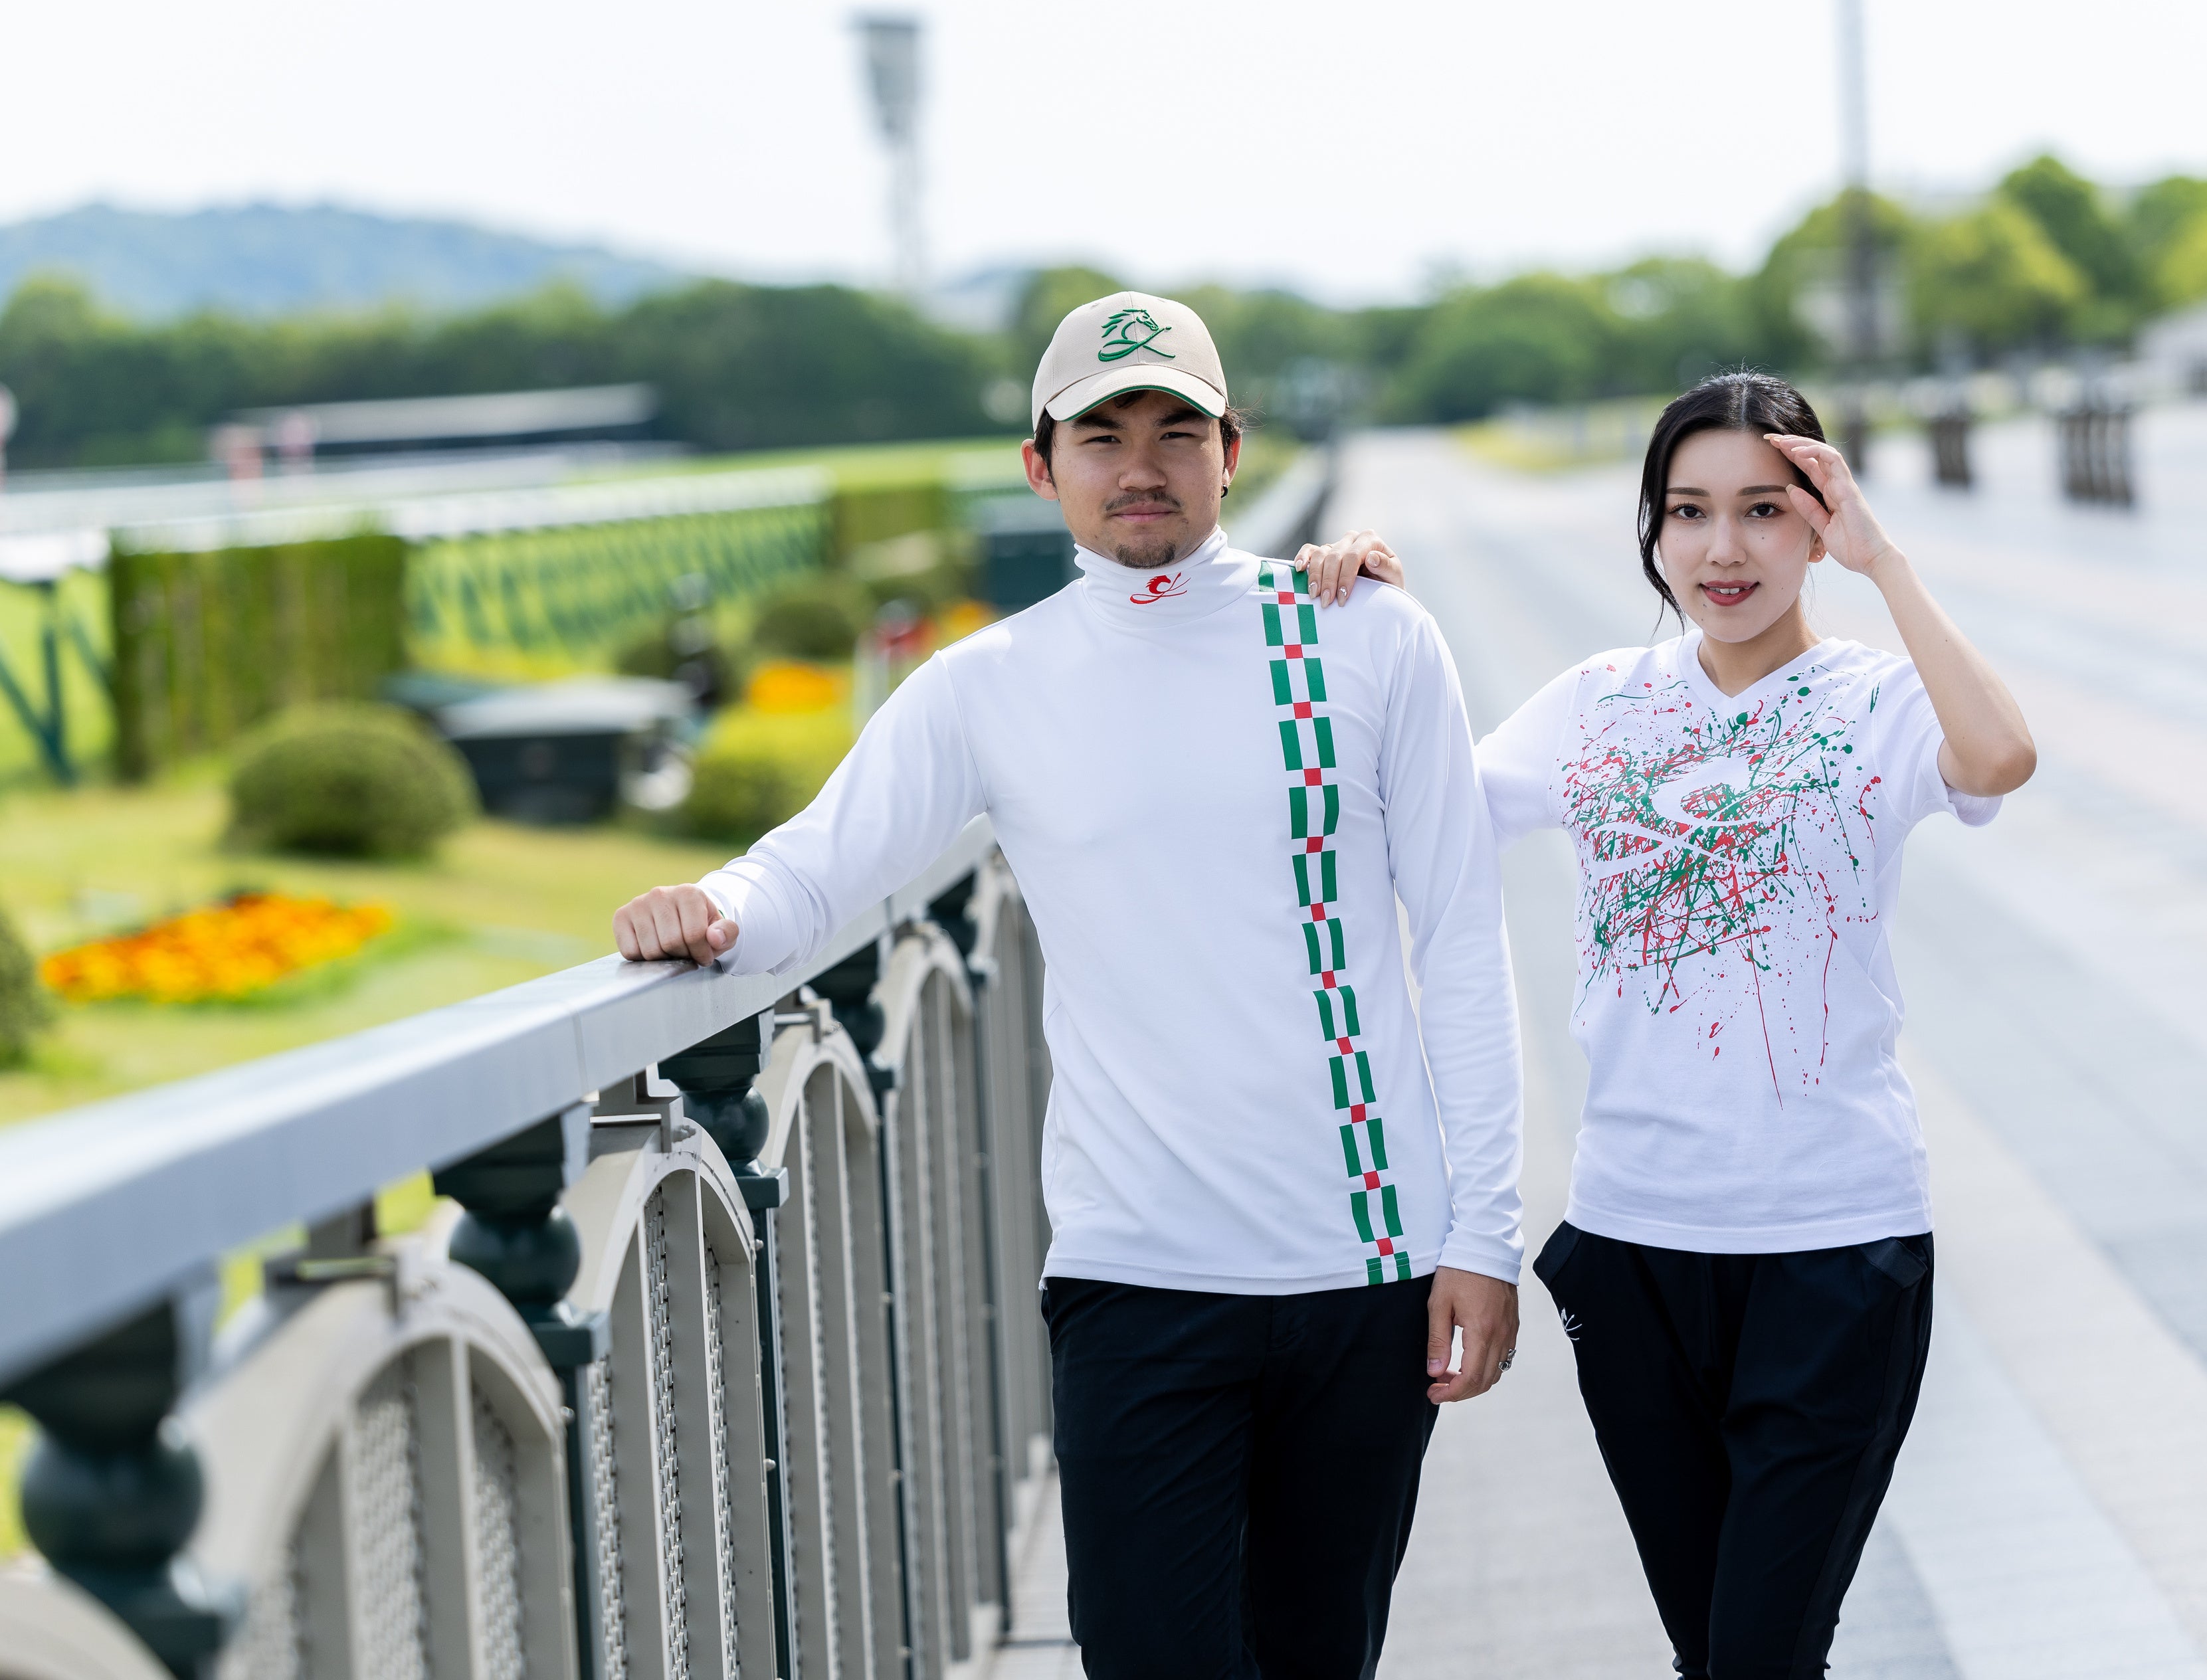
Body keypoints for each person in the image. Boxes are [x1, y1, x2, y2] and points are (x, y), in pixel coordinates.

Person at [613, 291, 1524, 1677]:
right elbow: (814, 866)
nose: (1141, 466)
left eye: (1175, 431)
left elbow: (1460, 936)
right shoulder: (989, 684)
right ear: (1043, 467)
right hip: (1135, 1273)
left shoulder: (1368, 637)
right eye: (1102, 437)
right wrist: (715, 909)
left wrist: (1486, 1237)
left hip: (1365, 1268)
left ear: (1231, 452)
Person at [1301, 372, 2035, 1678]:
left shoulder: (1874, 701)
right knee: (1718, 1655)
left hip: (1836, 1249)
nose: (1722, 547)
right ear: (1651, 530)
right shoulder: (1598, 702)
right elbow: (1409, 816)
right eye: (1688, 511)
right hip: (1635, 1249)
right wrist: (1372, 633)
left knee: (1758, 1654)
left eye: (1765, 509)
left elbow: (1998, 758)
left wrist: (1886, 563)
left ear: (1818, 522)